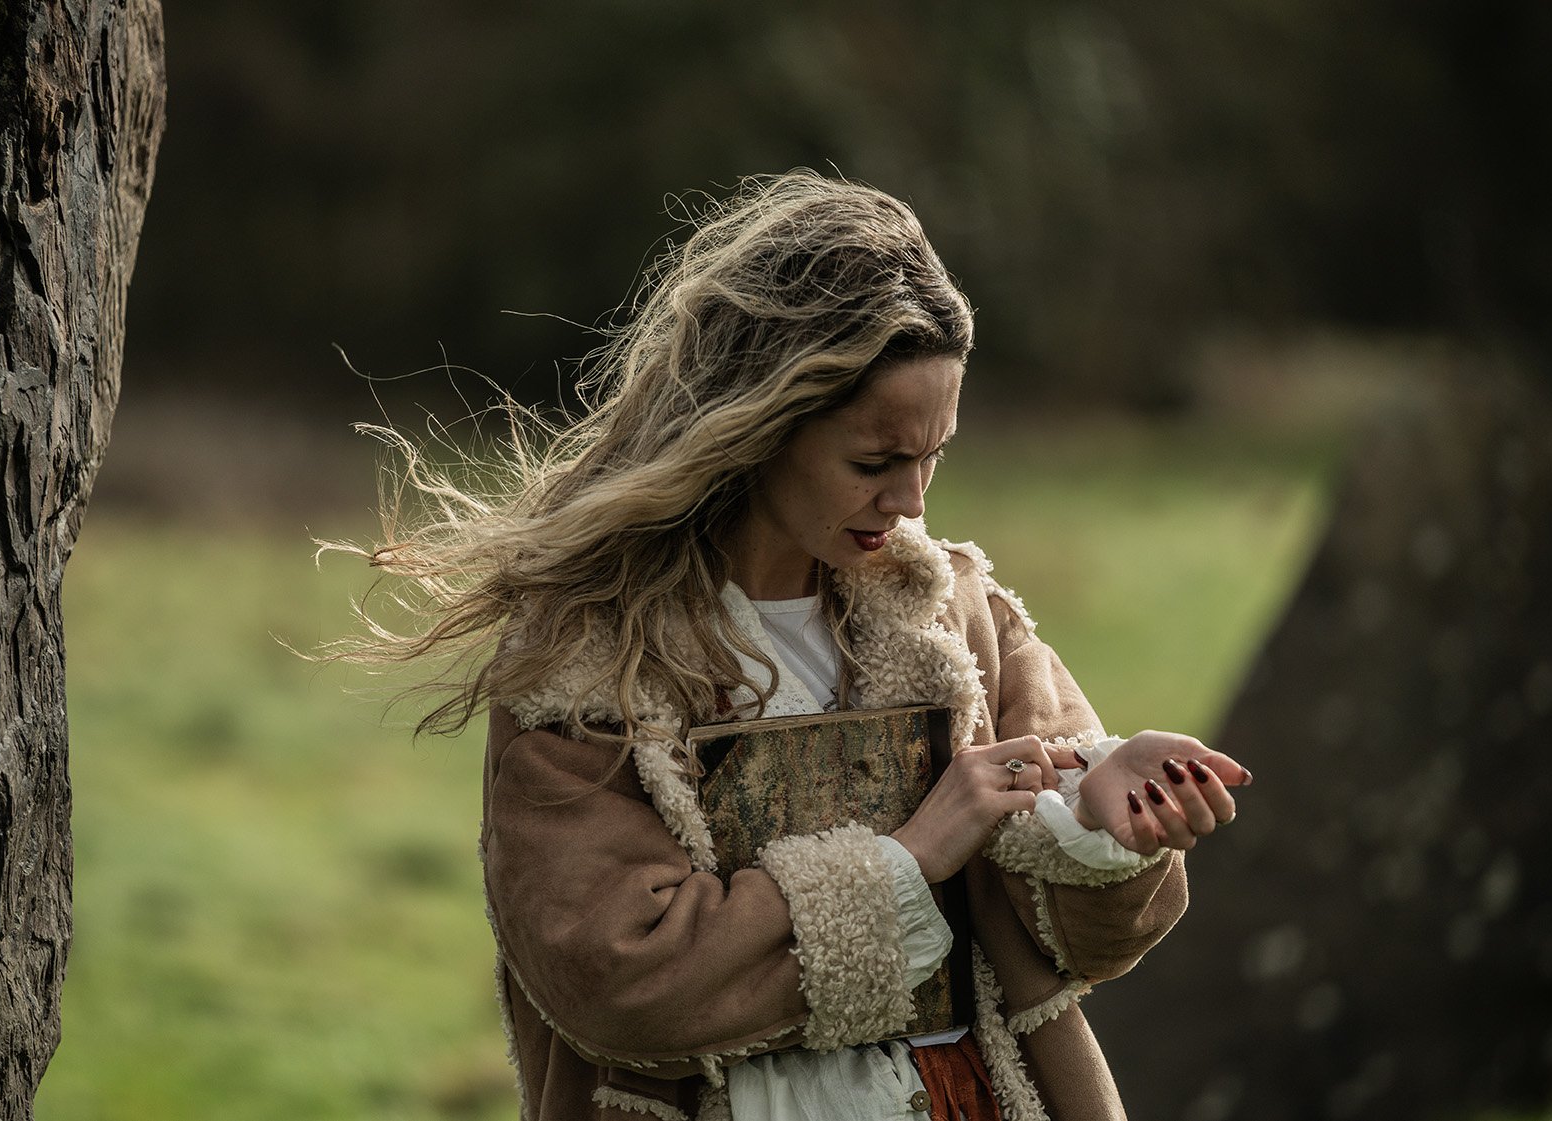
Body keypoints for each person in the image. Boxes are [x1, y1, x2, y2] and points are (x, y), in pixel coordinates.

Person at [343, 171, 1250, 1121]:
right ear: (762, 427)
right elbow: (616, 975)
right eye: (874, 462)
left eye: (932, 456)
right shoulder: (588, 662)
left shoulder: (955, 615)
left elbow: (1073, 946)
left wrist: (1100, 818)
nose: (911, 503)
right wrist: (909, 858)